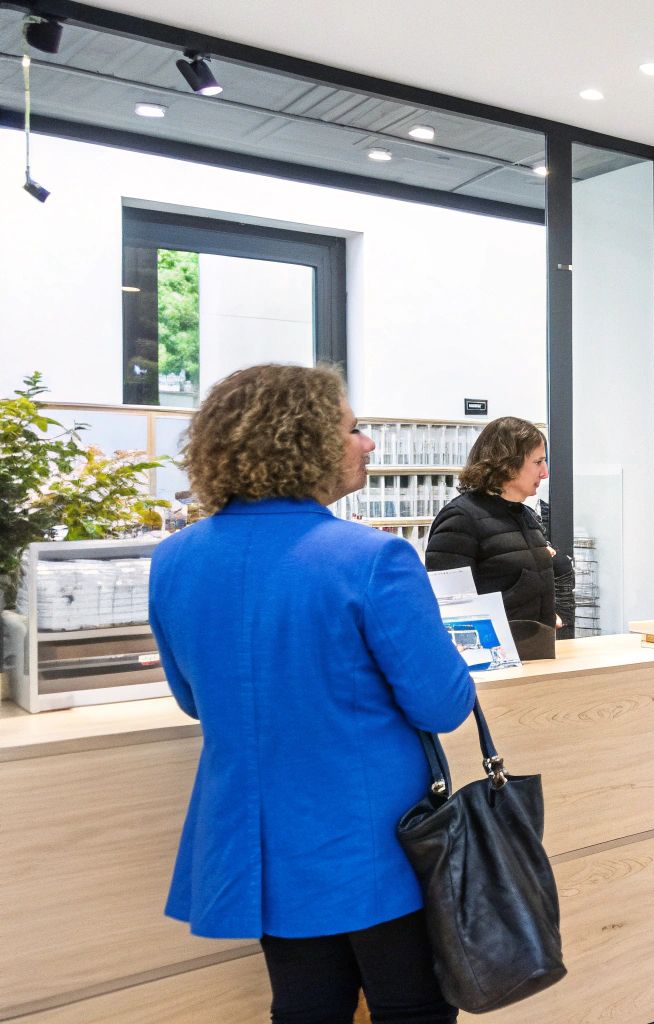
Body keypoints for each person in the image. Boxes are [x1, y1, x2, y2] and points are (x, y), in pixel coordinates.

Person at [147, 364, 475, 1024]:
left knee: (304, 1010)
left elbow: (192, 699)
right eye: (355, 429)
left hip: (263, 846)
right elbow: (443, 704)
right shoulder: (372, 559)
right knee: (412, 1008)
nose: (369, 444)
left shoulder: (175, 558)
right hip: (378, 845)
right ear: (307, 442)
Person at [425, 416, 559, 659]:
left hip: (537, 655)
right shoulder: (461, 518)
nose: (545, 472)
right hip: (493, 667)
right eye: (538, 462)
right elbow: (450, 607)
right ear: (508, 463)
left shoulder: (525, 515)